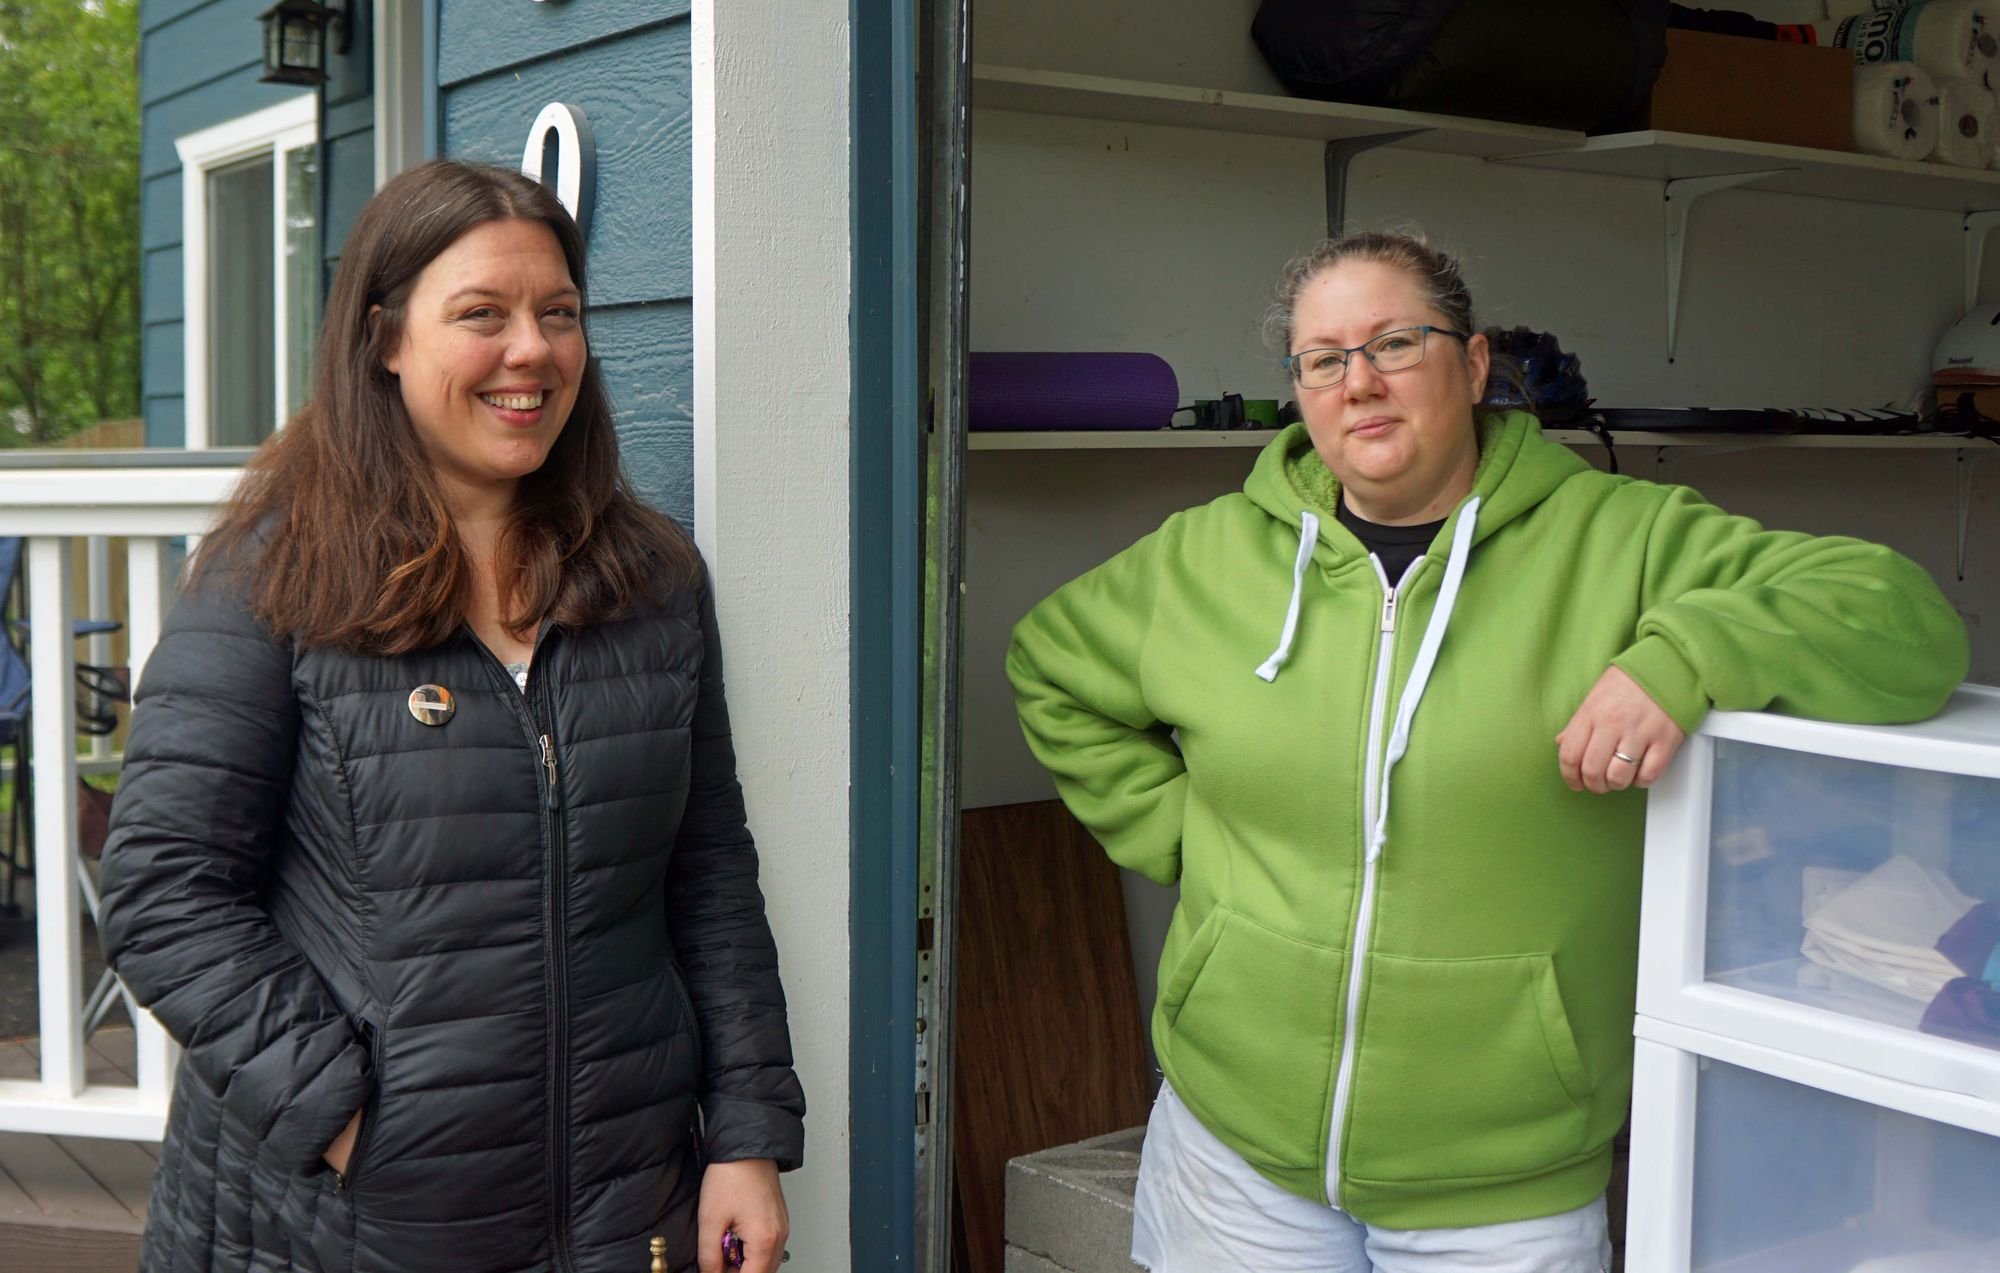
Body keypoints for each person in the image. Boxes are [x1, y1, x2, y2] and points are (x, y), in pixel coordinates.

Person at [1006, 231, 1969, 1273]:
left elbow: (1905, 623)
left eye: (1394, 343)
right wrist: (1186, 839)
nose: (1359, 382)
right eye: (1322, 359)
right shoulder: (1207, 558)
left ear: (1470, 366)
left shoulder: (1622, 540)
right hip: (1229, 1161)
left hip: (1501, 1189)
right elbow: (1049, 665)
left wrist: (1690, 654)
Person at [99, 160, 803, 1273]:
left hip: (621, 1203)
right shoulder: (274, 578)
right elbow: (162, 891)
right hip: (341, 1224)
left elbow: (707, 872)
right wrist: (351, 1118)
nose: (532, 350)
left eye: (558, 313)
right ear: (384, 338)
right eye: (482, 314)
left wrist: (748, 1135)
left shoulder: (652, 581)